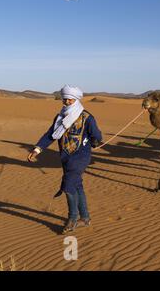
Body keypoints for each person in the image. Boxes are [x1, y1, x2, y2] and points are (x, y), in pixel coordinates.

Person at [27, 85, 102, 234]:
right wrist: (37, 149)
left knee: (68, 186)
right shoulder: (60, 117)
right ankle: (85, 218)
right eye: (64, 99)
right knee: (77, 186)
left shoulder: (87, 117)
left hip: (81, 157)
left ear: (75, 99)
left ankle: (72, 219)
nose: (66, 102)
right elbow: (50, 134)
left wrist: (94, 141)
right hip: (66, 157)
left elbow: (97, 136)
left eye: (68, 99)